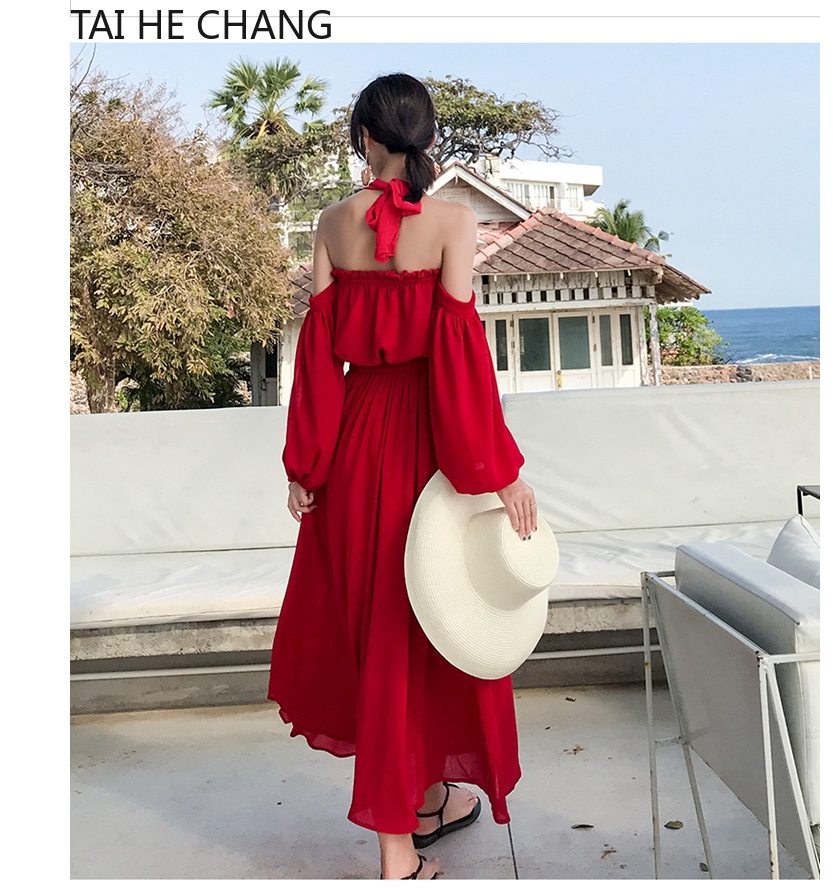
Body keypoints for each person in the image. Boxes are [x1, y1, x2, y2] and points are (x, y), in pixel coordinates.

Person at [268, 72, 538, 881]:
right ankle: (397, 860)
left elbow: (317, 360)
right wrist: (499, 471)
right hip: (426, 450)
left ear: (363, 138)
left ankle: (421, 806)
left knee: (378, 635)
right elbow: (458, 363)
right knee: (421, 633)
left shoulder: (328, 223)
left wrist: (305, 465)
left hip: (354, 444)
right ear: (427, 139)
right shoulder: (454, 222)